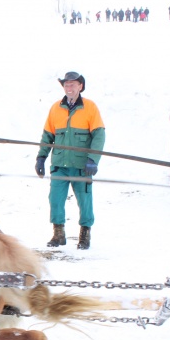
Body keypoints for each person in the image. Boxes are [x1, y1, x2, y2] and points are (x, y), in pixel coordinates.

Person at [34, 71, 105, 250]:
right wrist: (41, 157)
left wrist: (93, 159)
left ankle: (84, 235)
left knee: (85, 200)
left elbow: (99, 135)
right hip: (60, 165)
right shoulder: (55, 108)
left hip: (82, 166)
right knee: (55, 199)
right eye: (66, 84)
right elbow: (48, 135)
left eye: (73, 84)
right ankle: (58, 234)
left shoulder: (90, 107)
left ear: (80, 86)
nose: (69, 88)